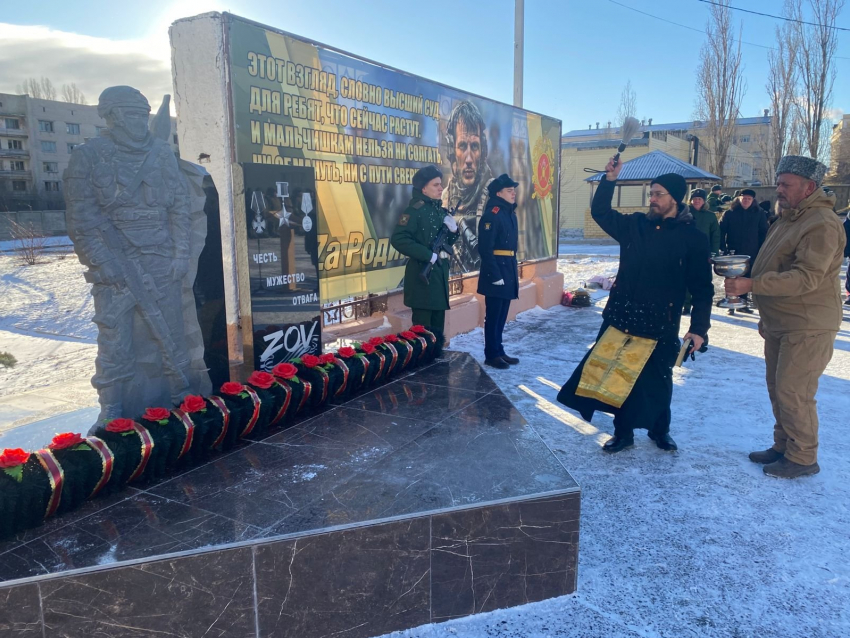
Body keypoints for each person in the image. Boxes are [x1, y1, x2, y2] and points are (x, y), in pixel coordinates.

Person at [557, 160, 714, 453]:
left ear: (674, 198)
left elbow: (703, 289)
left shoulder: (693, 239)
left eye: (658, 194)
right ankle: (623, 432)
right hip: (622, 315)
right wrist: (609, 179)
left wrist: (698, 329)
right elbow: (600, 212)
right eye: (650, 193)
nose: (651, 198)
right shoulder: (635, 226)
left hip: (661, 321)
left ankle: (660, 429)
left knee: (658, 378)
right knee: (618, 375)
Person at [725, 156, 846, 479]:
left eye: (785, 184)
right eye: (778, 183)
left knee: (794, 390)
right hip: (782, 320)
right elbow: (772, 264)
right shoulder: (788, 219)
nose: (778, 190)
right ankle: (784, 446)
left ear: (809, 187)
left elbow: (807, 277)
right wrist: (766, 314)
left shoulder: (821, 223)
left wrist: (752, 284)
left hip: (808, 323)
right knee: (778, 387)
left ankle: (803, 456)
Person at [391, 165, 459, 356]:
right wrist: (427, 255)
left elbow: (447, 242)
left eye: (441, 184)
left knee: (437, 330)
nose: (440, 188)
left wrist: (454, 231)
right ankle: (422, 368)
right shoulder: (414, 211)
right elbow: (399, 239)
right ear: (424, 189)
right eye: (436, 185)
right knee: (422, 333)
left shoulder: (439, 211)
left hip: (438, 277)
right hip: (422, 278)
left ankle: (435, 361)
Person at [441, 100, 494, 272]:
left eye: (475, 147)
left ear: (483, 151)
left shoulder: (493, 195)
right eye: (462, 146)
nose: (469, 159)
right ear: (451, 150)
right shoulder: (445, 197)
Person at [477, 174, 520, 369]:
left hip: (508, 267)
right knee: (493, 315)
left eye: (514, 190)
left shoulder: (509, 213)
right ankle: (491, 354)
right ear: (498, 193)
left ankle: (499, 350)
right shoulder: (492, 214)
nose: (513, 194)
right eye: (509, 191)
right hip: (496, 270)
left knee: (502, 314)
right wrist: (494, 275)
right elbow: (485, 248)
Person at [719, 188, 768, 315]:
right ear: (739, 199)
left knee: (746, 276)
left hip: (751, 251)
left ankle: (743, 303)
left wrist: (762, 249)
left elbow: (764, 232)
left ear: (753, 200)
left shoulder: (759, 213)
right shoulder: (730, 213)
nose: (746, 201)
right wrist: (723, 247)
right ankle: (731, 303)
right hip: (733, 250)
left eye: (749, 199)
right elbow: (721, 231)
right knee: (732, 276)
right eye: (744, 198)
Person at [683, 188, 720, 317]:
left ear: (704, 201)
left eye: (699, 199)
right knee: (686, 280)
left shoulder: (710, 216)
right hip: (687, 252)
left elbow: (715, 235)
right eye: (695, 199)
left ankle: (701, 306)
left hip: (704, 254)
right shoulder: (684, 213)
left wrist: (714, 253)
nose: (697, 201)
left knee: (703, 281)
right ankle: (686, 305)